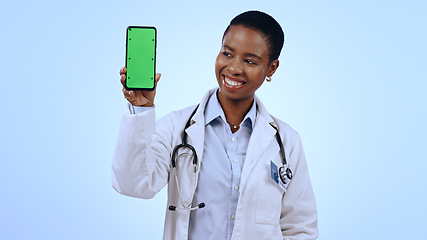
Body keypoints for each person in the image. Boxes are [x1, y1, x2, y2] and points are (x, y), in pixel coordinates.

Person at [112, 10, 318, 240]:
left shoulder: (286, 141)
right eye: (227, 53)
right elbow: (134, 185)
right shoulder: (176, 127)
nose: (234, 68)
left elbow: (301, 228)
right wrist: (141, 109)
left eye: (250, 61)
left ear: (271, 68)